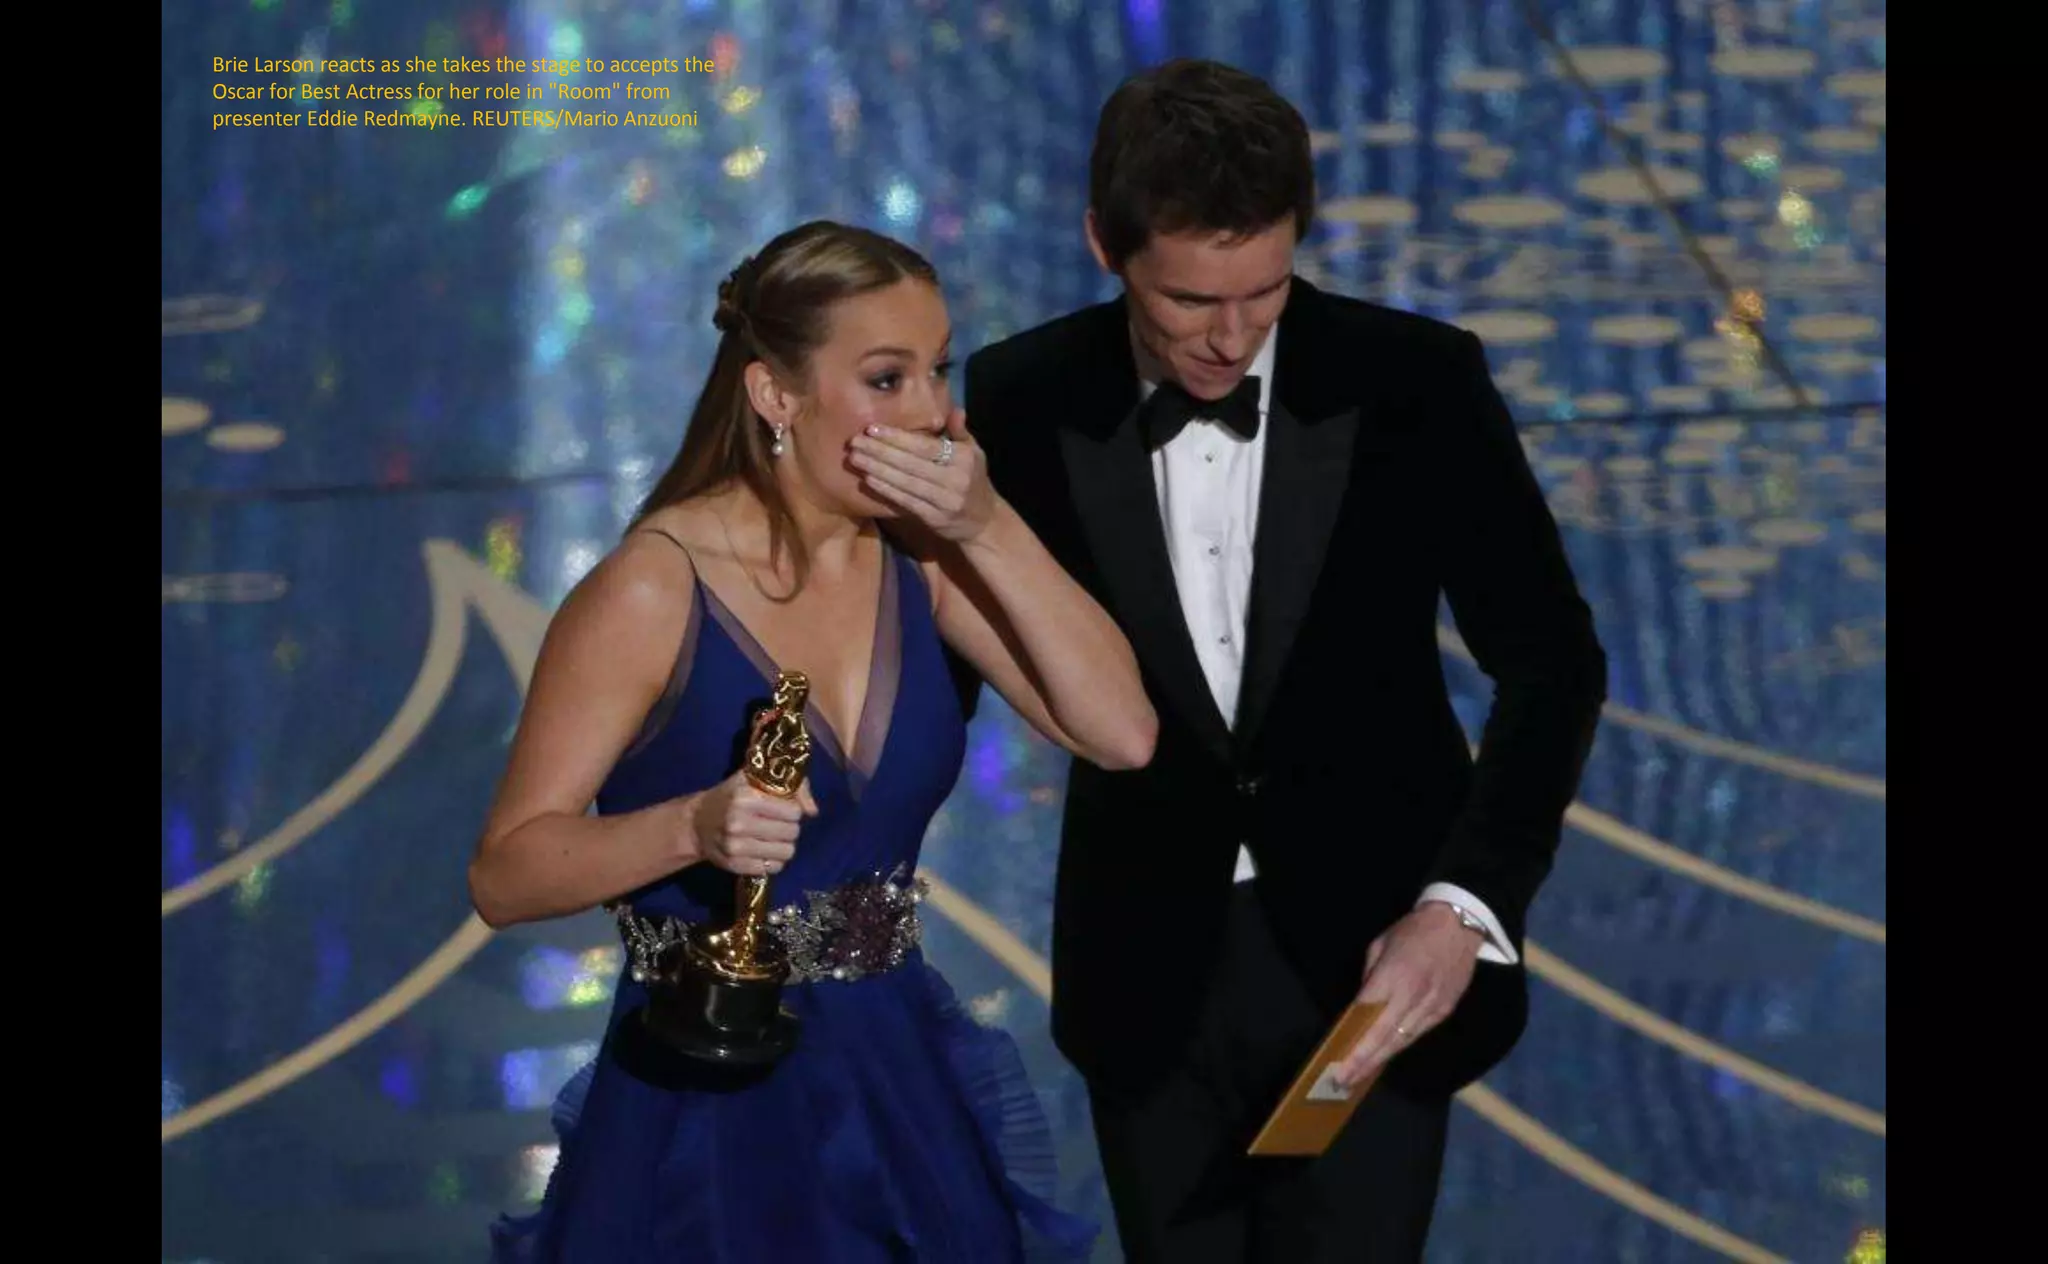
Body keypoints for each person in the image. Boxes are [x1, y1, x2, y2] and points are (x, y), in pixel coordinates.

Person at [953, 60, 1608, 1261]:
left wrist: (1460, 909)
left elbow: (1551, 662)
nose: (1233, 336)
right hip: (1142, 967)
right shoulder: (1019, 394)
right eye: (1191, 300)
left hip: (1370, 963)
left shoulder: (1414, 380)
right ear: (1103, 242)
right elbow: (938, 676)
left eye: (1264, 291)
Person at [471, 219, 1156, 1261]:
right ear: (773, 396)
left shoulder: (919, 560)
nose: (929, 412)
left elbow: (1122, 733)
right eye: (886, 379)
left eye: (938, 370)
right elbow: (507, 873)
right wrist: (692, 826)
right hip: (707, 1098)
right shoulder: (653, 587)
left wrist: (987, 527)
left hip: (899, 1085)